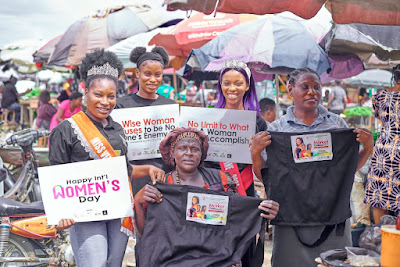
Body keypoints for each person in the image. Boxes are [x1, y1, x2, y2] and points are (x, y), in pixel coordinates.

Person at [49, 49, 165, 267]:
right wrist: (61, 213)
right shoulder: (67, 130)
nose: (105, 102)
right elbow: (57, 176)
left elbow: (123, 170)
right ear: (85, 94)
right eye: (98, 95)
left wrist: (148, 168)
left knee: (113, 262)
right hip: (84, 212)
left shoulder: (117, 129)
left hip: (116, 209)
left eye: (111, 96)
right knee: (96, 261)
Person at [251, 68, 374, 267]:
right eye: (305, 87)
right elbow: (265, 174)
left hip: (332, 218)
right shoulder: (277, 129)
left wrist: (367, 149)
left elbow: (347, 170)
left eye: (316, 87)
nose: (312, 92)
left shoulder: (337, 124)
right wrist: (255, 153)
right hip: (290, 218)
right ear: (290, 89)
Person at [134, 127, 279, 234]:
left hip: (214, 256)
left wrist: (264, 209)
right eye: (182, 148)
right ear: (172, 152)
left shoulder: (220, 179)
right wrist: (138, 202)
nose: (188, 153)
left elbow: (238, 213)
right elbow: (147, 233)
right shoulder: (161, 184)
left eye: (194, 149)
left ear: (202, 153)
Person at [115, 46, 176, 196]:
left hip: (164, 176)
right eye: (147, 74)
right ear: (137, 73)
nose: (153, 79)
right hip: (134, 176)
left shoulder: (170, 106)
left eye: (158, 75)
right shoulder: (121, 105)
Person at [365, 64, 400, 223]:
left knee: (380, 196)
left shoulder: (380, 96)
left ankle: (380, 236)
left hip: (384, 151)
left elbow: (379, 116)